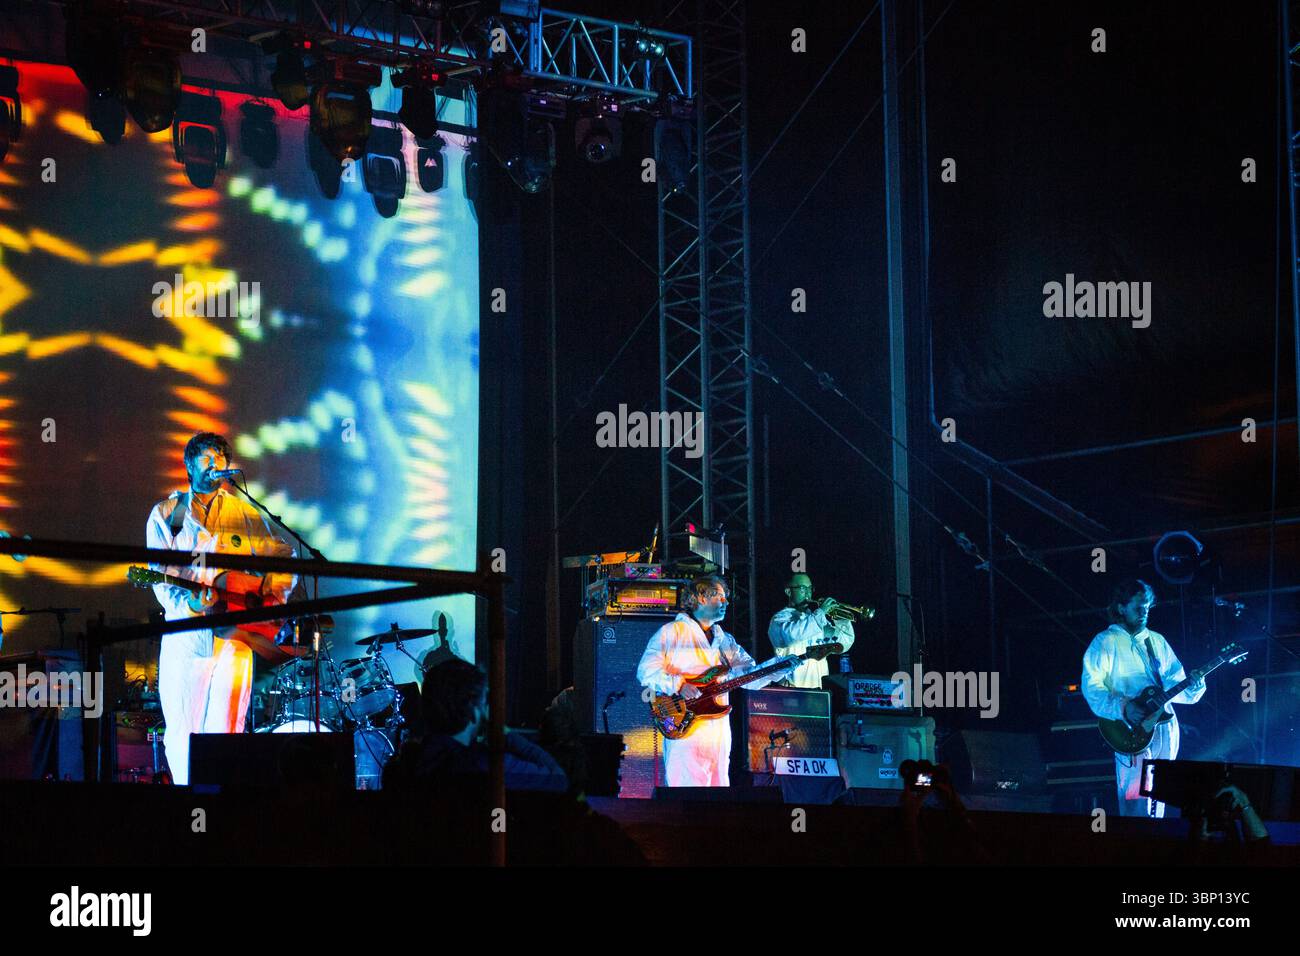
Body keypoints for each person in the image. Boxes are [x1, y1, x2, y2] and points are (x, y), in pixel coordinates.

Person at [146, 432, 297, 784]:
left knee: (227, 729)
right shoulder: (169, 514)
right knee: (184, 732)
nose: (214, 465)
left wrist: (266, 589)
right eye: (205, 458)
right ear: (188, 464)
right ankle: (190, 810)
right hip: (186, 635)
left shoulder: (242, 512)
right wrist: (189, 602)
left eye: (220, 459)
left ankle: (222, 809)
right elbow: (159, 578)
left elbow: (284, 553)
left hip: (236, 637)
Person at [636, 574, 794, 787]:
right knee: (687, 794)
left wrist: (780, 666)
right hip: (685, 726)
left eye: (726, 598)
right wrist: (679, 684)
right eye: (719, 597)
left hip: (718, 731)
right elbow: (646, 671)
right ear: (701, 598)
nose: (726, 603)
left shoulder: (726, 641)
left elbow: (749, 677)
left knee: (717, 795)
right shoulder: (672, 633)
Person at [1081, 578, 1204, 818]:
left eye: (1147, 607)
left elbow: (1176, 686)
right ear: (1120, 608)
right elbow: (1092, 688)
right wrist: (1123, 708)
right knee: (1135, 798)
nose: (1143, 612)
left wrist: (1195, 685)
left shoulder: (1156, 641)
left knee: (1161, 794)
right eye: (1138, 607)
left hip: (1164, 727)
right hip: (1130, 728)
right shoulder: (1105, 642)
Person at [384, 657, 568, 792]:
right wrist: (505, 734)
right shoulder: (485, 765)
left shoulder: (405, 763)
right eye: (485, 701)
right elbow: (558, 778)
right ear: (473, 711)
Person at [767, 573, 856, 688]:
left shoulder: (817, 619)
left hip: (818, 691)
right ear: (788, 592)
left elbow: (843, 643)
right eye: (802, 588)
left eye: (810, 588)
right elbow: (791, 636)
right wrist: (821, 613)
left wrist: (841, 620)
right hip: (792, 691)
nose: (808, 593)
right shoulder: (780, 619)